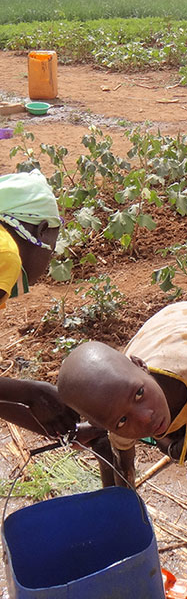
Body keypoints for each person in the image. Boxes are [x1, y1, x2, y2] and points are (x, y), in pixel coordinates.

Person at [57, 299, 187, 599]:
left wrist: (182, 446)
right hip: (163, 337)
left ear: (140, 366)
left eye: (139, 394)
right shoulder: (123, 403)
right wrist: (127, 519)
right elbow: (126, 465)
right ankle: (107, 436)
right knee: (123, 442)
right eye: (121, 420)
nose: (145, 416)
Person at [0, 169, 77, 438]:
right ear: (42, 230)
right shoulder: (5, 253)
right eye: (52, 248)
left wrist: (35, 409)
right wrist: (31, 392)